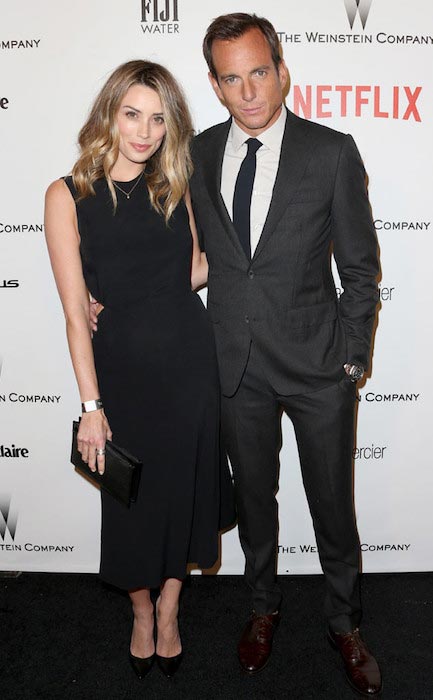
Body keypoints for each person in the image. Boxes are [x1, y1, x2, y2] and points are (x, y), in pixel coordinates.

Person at [189, 12, 381, 696]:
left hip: (316, 366)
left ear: (281, 71)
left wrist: (351, 360)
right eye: (231, 78)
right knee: (256, 502)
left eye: (258, 72)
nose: (248, 92)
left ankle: (344, 623)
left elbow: (360, 270)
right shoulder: (197, 153)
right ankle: (261, 608)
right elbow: (198, 261)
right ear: (214, 85)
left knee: (332, 504)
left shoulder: (329, 151)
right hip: (234, 364)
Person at [44, 60, 234, 681]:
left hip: (188, 362)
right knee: (130, 502)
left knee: (183, 491)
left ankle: (171, 610)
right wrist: (91, 408)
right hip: (120, 374)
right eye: (132, 114)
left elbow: (197, 269)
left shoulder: (179, 184)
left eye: (158, 118)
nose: (145, 131)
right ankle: (140, 612)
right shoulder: (67, 195)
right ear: (110, 113)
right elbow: (76, 315)